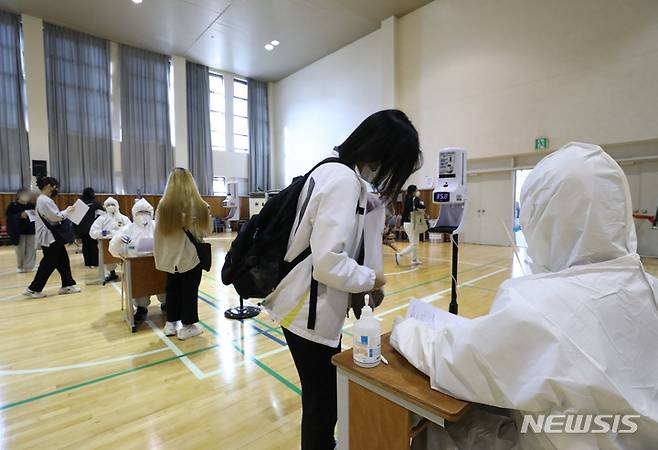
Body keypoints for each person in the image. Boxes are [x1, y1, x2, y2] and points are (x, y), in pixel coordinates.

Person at [391, 143, 658, 449]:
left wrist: (403, 329)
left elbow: (452, 360)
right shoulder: (649, 288)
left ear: (545, 218)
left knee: (435, 430)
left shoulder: (540, 306)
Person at [263, 109, 423, 450]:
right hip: (308, 311)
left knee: (322, 400)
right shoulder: (343, 182)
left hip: (306, 306)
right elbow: (328, 263)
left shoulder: (332, 171)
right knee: (322, 405)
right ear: (380, 156)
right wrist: (371, 278)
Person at [154, 168, 212, 340]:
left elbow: (158, 234)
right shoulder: (199, 206)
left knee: (172, 290)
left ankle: (170, 323)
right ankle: (188, 326)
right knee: (189, 291)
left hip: (169, 258)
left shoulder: (163, 206)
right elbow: (206, 231)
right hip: (190, 257)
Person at [109, 198, 165, 324]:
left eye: (147, 212)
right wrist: (118, 241)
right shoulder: (127, 229)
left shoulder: (158, 226)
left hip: (158, 265)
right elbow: (113, 251)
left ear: (151, 213)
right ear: (134, 214)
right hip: (137, 268)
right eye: (140, 213)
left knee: (163, 284)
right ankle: (141, 308)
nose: (143, 215)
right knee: (140, 289)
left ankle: (166, 303)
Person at [24, 177, 81, 298]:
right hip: (50, 236)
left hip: (52, 236)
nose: (56, 189)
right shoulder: (44, 200)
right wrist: (67, 211)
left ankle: (67, 285)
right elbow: (55, 217)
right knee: (49, 263)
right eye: (55, 186)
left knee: (63, 260)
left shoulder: (43, 199)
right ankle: (33, 289)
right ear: (49, 186)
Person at [89, 196, 130, 282]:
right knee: (109, 258)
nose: (111, 206)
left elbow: (131, 230)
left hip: (122, 244)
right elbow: (92, 232)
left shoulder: (124, 218)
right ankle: (112, 273)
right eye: (108, 205)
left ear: (117, 206)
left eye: (112, 204)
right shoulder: (101, 219)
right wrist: (104, 233)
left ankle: (127, 272)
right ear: (105, 207)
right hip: (106, 244)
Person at [5, 189, 36, 272]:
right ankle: (20, 266)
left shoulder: (31, 205)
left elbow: (36, 217)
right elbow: (9, 218)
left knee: (31, 249)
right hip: (19, 231)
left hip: (31, 230)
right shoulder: (13, 205)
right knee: (20, 250)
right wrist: (20, 215)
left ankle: (29, 266)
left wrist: (35, 213)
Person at [395, 184, 426, 265]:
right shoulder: (415, 198)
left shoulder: (407, 199)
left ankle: (414, 259)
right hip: (411, 223)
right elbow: (417, 205)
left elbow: (405, 211)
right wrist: (423, 206)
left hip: (407, 223)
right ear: (413, 192)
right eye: (417, 190)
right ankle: (400, 254)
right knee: (414, 243)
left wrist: (401, 224)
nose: (418, 191)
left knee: (415, 241)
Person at [76, 187, 103, 268]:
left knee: (85, 246)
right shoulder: (95, 203)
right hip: (92, 228)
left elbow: (75, 219)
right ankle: (95, 262)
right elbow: (103, 212)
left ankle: (88, 263)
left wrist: (76, 232)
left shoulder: (80, 204)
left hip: (82, 229)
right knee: (93, 246)